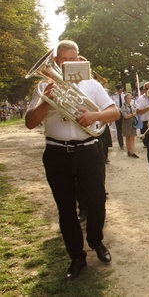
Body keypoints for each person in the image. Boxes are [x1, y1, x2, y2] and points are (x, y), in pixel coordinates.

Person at [25, 40, 120, 279]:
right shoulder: (43, 86)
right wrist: (48, 102)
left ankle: (96, 240)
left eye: (72, 59)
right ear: (56, 61)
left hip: (88, 150)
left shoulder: (91, 84)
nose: (68, 63)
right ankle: (77, 256)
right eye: (63, 59)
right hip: (57, 153)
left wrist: (94, 115)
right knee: (66, 208)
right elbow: (30, 122)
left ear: (79, 60)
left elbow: (114, 112)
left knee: (97, 200)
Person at [120, 92, 139, 157]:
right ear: (125, 99)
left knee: (132, 136)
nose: (129, 99)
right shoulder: (123, 106)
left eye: (130, 98)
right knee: (128, 136)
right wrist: (133, 114)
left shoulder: (132, 105)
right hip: (127, 123)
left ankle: (132, 151)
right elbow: (125, 116)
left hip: (133, 122)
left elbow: (136, 111)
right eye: (128, 98)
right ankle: (129, 150)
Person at [111, 85, 125, 150]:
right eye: (119, 90)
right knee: (119, 129)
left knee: (126, 129)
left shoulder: (124, 95)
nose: (120, 91)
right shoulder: (113, 97)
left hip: (125, 113)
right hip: (118, 113)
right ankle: (121, 144)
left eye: (121, 90)